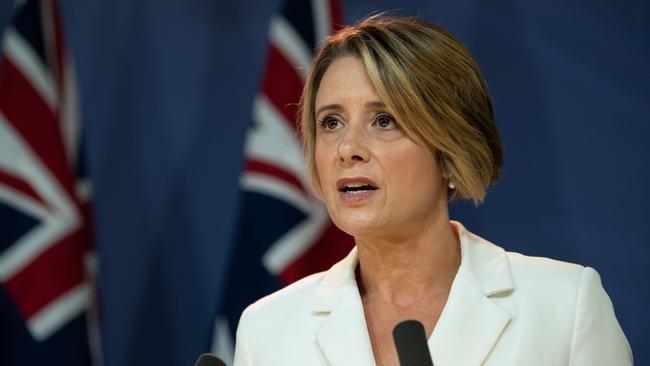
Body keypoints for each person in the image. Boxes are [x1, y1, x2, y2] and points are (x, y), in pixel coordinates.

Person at [233, 15, 632, 366]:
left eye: (384, 120)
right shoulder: (268, 328)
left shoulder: (563, 306)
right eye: (332, 122)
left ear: (449, 147)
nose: (348, 150)